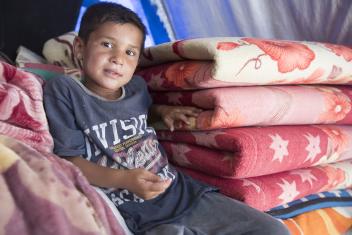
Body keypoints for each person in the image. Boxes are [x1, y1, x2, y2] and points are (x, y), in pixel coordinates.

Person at [43, 2, 291, 235]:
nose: (118, 58)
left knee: (274, 230)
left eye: (130, 52)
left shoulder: (137, 89)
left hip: (179, 192)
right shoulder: (65, 91)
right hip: (135, 212)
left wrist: (163, 113)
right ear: (79, 48)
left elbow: (138, 117)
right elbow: (69, 160)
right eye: (107, 45)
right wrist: (124, 180)